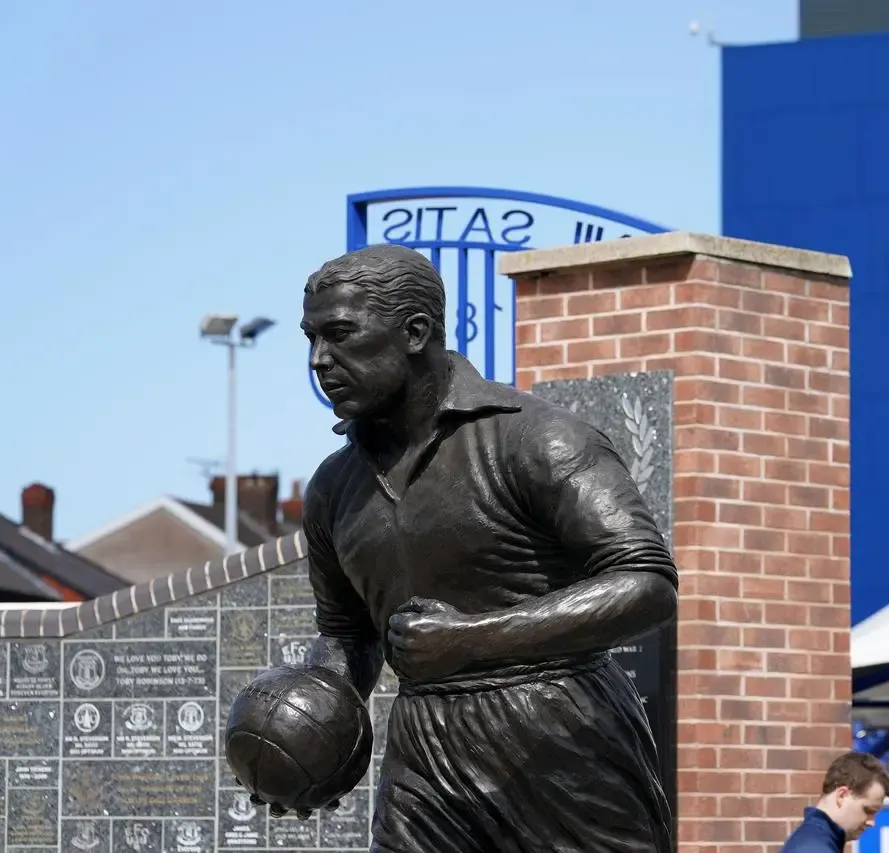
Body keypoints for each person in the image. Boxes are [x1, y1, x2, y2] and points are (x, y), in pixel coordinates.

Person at [263, 244, 679, 852]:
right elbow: (348, 637)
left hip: (560, 742)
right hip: (423, 759)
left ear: (415, 332)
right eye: (311, 339)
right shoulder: (332, 488)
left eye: (341, 335)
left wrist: (474, 638)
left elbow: (646, 583)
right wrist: (297, 738)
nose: (320, 360)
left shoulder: (537, 439)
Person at [783, 751, 889, 853]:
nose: (871, 822)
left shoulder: (811, 841)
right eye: (867, 810)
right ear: (842, 795)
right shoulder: (815, 848)